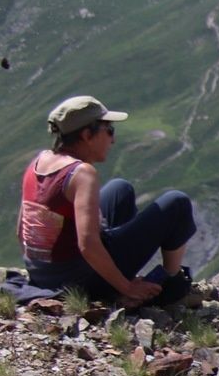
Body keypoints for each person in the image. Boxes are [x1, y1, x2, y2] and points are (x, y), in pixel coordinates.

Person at [17, 95, 195, 307]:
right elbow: (88, 244)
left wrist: (46, 268)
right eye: (108, 130)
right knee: (177, 203)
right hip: (80, 282)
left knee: (120, 189)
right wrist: (126, 287)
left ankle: (117, 276)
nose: (113, 139)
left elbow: (22, 229)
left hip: (42, 274)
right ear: (86, 134)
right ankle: (171, 285)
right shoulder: (81, 174)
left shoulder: (39, 161)